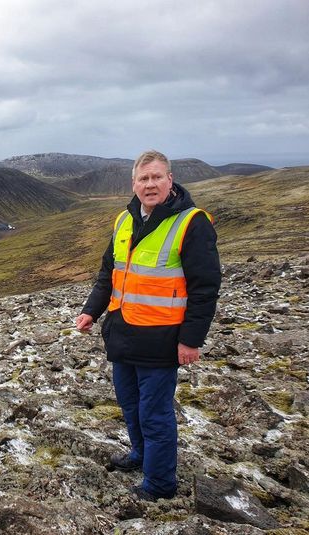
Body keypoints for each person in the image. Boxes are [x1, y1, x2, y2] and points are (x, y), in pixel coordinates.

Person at [75, 149, 221, 501]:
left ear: (170, 180)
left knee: (155, 414)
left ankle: (159, 484)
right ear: (134, 183)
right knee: (129, 405)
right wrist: (91, 311)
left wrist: (190, 340)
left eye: (157, 177)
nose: (150, 184)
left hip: (160, 339)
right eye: (144, 178)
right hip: (123, 333)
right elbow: (108, 273)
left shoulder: (191, 222)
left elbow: (205, 287)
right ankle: (141, 455)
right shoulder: (125, 220)